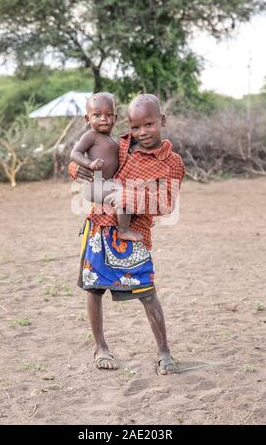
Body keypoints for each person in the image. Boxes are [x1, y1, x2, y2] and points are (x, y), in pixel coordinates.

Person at [69, 94, 185, 375]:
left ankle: (164, 352)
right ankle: (101, 347)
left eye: (148, 124)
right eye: (135, 127)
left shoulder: (171, 162)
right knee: (93, 289)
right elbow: (85, 161)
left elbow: (166, 204)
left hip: (134, 232)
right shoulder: (121, 145)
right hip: (98, 226)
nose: (142, 132)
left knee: (147, 293)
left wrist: (125, 195)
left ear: (162, 121)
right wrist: (78, 169)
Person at [70, 92, 142, 242]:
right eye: (97, 115)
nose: (103, 119)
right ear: (87, 118)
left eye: (108, 115)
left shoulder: (114, 140)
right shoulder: (91, 136)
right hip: (95, 185)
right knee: (124, 195)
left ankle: (123, 225)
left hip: (108, 185)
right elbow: (75, 153)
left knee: (127, 195)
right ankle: (123, 230)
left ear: (115, 118)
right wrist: (89, 163)